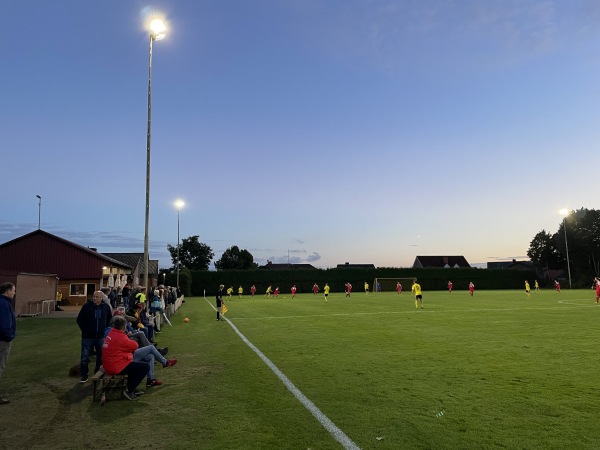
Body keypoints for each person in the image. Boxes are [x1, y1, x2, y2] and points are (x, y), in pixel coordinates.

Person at [102, 315, 149, 401]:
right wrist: (130, 339)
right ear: (124, 326)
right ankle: (129, 389)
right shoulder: (120, 337)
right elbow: (135, 345)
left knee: (134, 365)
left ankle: (131, 388)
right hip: (115, 366)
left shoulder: (112, 333)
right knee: (145, 367)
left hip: (110, 364)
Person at [76, 290, 112, 383]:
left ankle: (97, 373)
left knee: (100, 355)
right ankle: (84, 375)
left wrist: (105, 329)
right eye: (94, 296)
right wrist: (85, 329)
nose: (95, 298)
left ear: (101, 298)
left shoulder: (106, 307)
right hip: (87, 336)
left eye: (97, 297)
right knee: (85, 356)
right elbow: (79, 319)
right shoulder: (87, 307)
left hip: (100, 336)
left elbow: (109, 319)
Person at [0, 282, 16, 405]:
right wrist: (9, 337)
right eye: (13, 290)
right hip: (3, 340)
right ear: (7, 291)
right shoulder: (4, 304)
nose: (14, 293)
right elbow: (5, 324)